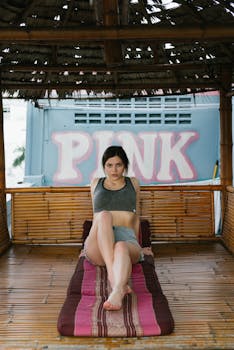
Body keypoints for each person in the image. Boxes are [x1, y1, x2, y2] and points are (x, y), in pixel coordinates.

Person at [83, 145, 143, 311]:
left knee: (121, 245)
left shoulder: (133, 183)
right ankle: (112, 273)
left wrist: (141, 244)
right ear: (104, 166)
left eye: (119, 165)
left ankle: (117, 291)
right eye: (109, 165)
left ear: (125, 166)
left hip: (126, 237)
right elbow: (95, 215)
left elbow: (136, 216)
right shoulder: (95, 183)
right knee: (103, 215)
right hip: (99, 241)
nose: (114, 170)